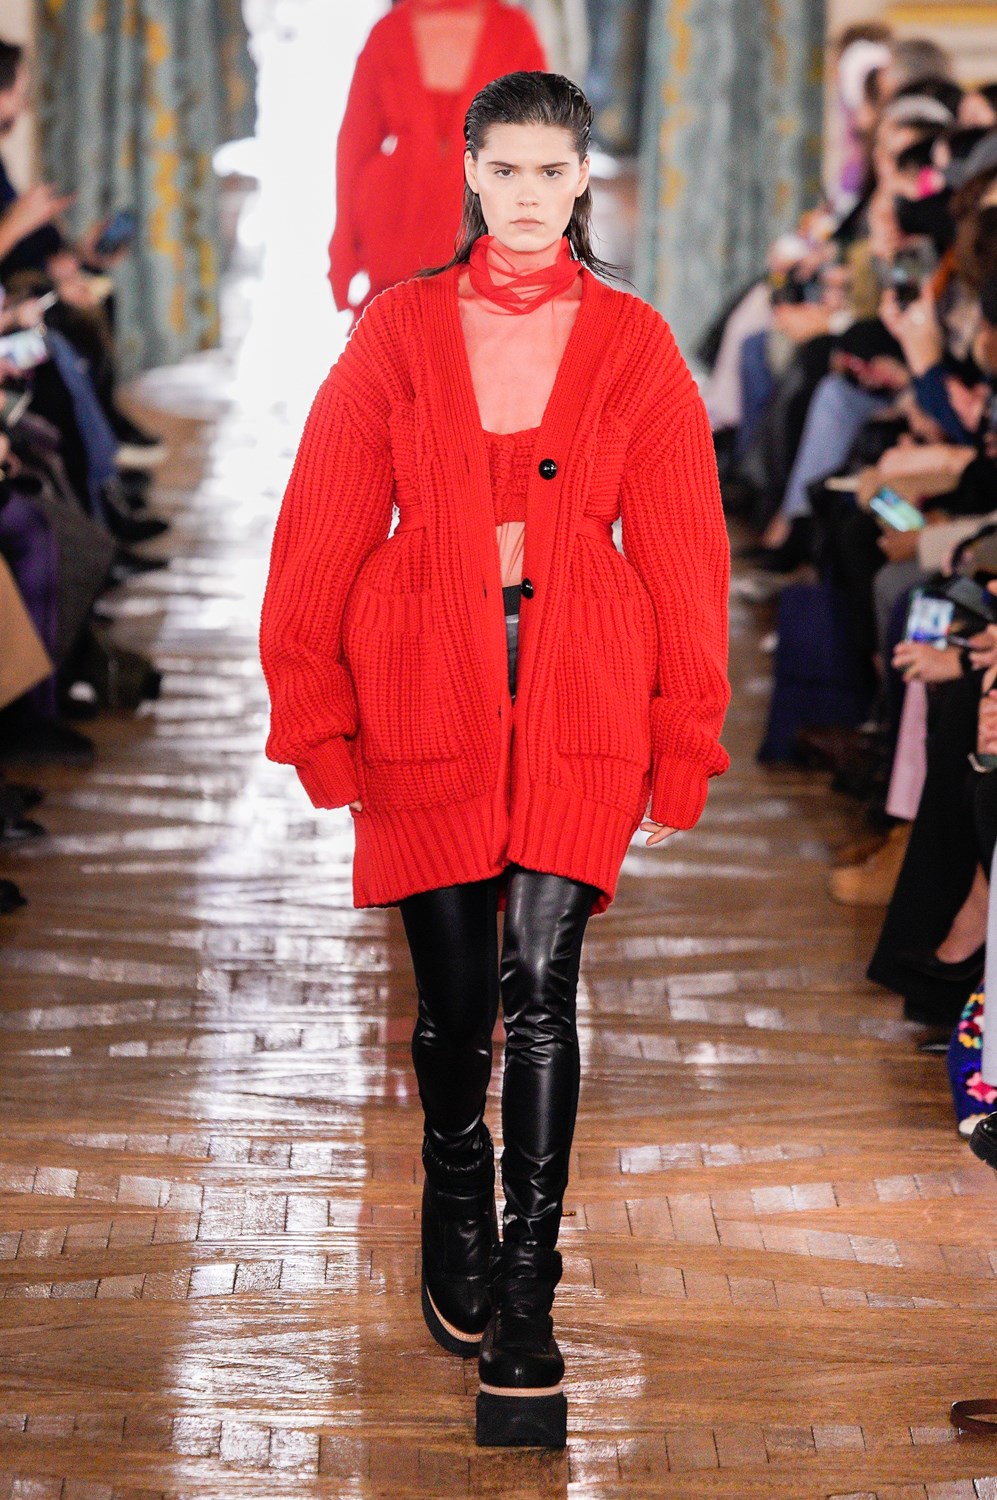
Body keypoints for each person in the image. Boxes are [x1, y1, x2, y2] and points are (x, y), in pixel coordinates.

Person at [261, 71, 730, 1450]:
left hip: (582, 684)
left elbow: (687, 552)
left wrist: (684, 730)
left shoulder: (635, 344)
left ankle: (529, 1289)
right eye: (505, 169)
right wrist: (315, 711)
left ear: (584, 182)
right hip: (423, 686)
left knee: (542, 989)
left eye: (551, 172)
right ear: (470, 173)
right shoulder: (398, 330)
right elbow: (323, 521)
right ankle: (454, 1181)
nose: (528, 195)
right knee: (457, 1007)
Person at [328, 0, 545, 319]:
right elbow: (542, 151)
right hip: (435, 243)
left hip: (452, 243)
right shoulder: (513, 33)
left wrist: (343, 254)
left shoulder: (513, 33)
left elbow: (354, 149)